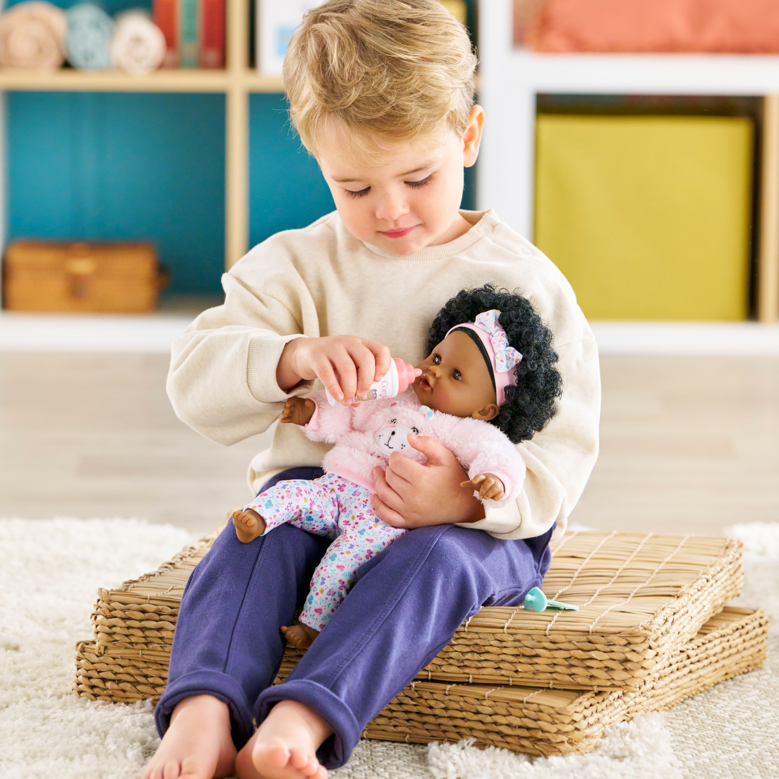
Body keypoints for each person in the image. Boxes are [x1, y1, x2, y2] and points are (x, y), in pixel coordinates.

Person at [142, 2, 600, 779]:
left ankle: (299, 717)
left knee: (435, 561)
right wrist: (290, 357)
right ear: (317, 158)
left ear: (468, 136)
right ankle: (202, 712)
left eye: (417, 177)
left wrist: (460, 498)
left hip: (471, 527)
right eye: (353, 186)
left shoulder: (525, 282)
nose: (388, 210)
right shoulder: (296, 264)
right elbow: (194, 379)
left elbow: (564, 448)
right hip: (325, 491)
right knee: (254, 538)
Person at [230, 289, 562, 650]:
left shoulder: (465, 430)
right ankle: (259, 517)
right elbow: (349, 413)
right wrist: (311, 413)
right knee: (290, 492)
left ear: (484, 410)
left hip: (381, 516)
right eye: (436, 358)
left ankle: (313, 625)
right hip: (336, 486)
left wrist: (494, 479)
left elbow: (497, 454)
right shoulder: (392, 396)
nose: (434, 371)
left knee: (338, 564)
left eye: (455, 375)